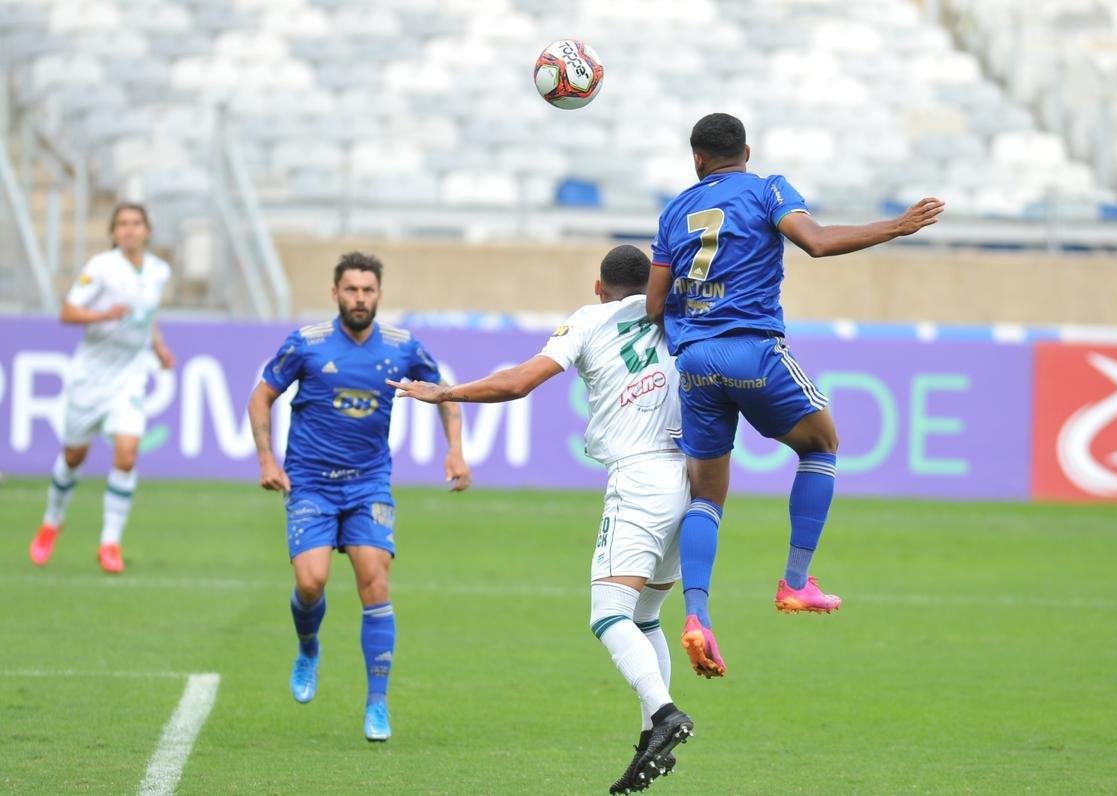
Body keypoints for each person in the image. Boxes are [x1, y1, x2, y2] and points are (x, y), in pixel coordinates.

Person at [646, 113, 944, 678]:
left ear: (697, 159)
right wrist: (898, 227)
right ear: (747, 152)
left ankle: (698, 617)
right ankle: (796, 582)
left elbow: (655, 308)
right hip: (752, 350)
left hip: (696, 363)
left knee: (706, 495)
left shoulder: (674, 210)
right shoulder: (768, 189)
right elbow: (818, 243)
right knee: (822, 444)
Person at [391, 245, 693, 794]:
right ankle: (651, 734)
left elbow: (519, 382)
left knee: (607, 615)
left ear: (598, 287)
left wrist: (445, 392)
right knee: (646, 614)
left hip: (639, 478)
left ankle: (664, 712)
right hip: (691, 476)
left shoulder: (588, 319)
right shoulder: (675, 311)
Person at [246, 251, 472, 742]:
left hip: (368, 481)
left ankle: (377, 703)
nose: (360, 298)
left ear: (379, 296)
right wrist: (267, 460)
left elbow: (444, 393)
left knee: (374, 579)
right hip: (310, 482)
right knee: (311, 583)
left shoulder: (401, 346)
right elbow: (261, 395)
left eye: (368, 291)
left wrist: (454, 452)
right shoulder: (306, 344)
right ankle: (309, 647)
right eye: (351, 290)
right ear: (335, 294)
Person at [29, 202, 175, 574]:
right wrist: (102, 315)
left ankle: (110, 542)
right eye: (122, 224)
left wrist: (157, 346)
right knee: (74, 456)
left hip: (129, 374)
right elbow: (66, 312)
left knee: (127, 454)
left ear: (147, 230)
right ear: (113, 233)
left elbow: (147, 315)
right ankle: (51, 521)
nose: (129, 230)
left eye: (136, 223)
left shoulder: (158, 271)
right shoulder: (100, 268)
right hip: (90, 377)